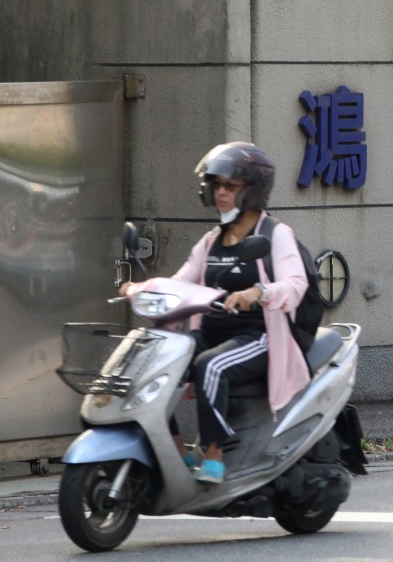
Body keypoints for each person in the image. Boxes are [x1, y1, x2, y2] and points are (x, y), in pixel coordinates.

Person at [121, 142, 311, 484]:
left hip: (259, 337)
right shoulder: (211, 241)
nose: (220, 193)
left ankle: (214, 457)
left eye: (230, 186)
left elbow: (296, 284)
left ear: (252, 191)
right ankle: (179, 453)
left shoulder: (274, 234)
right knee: (153, 364)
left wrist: (260, 292)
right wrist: (138, 289)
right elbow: (180, 283)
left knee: (210, 365)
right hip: (211, 333)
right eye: (217, 185)